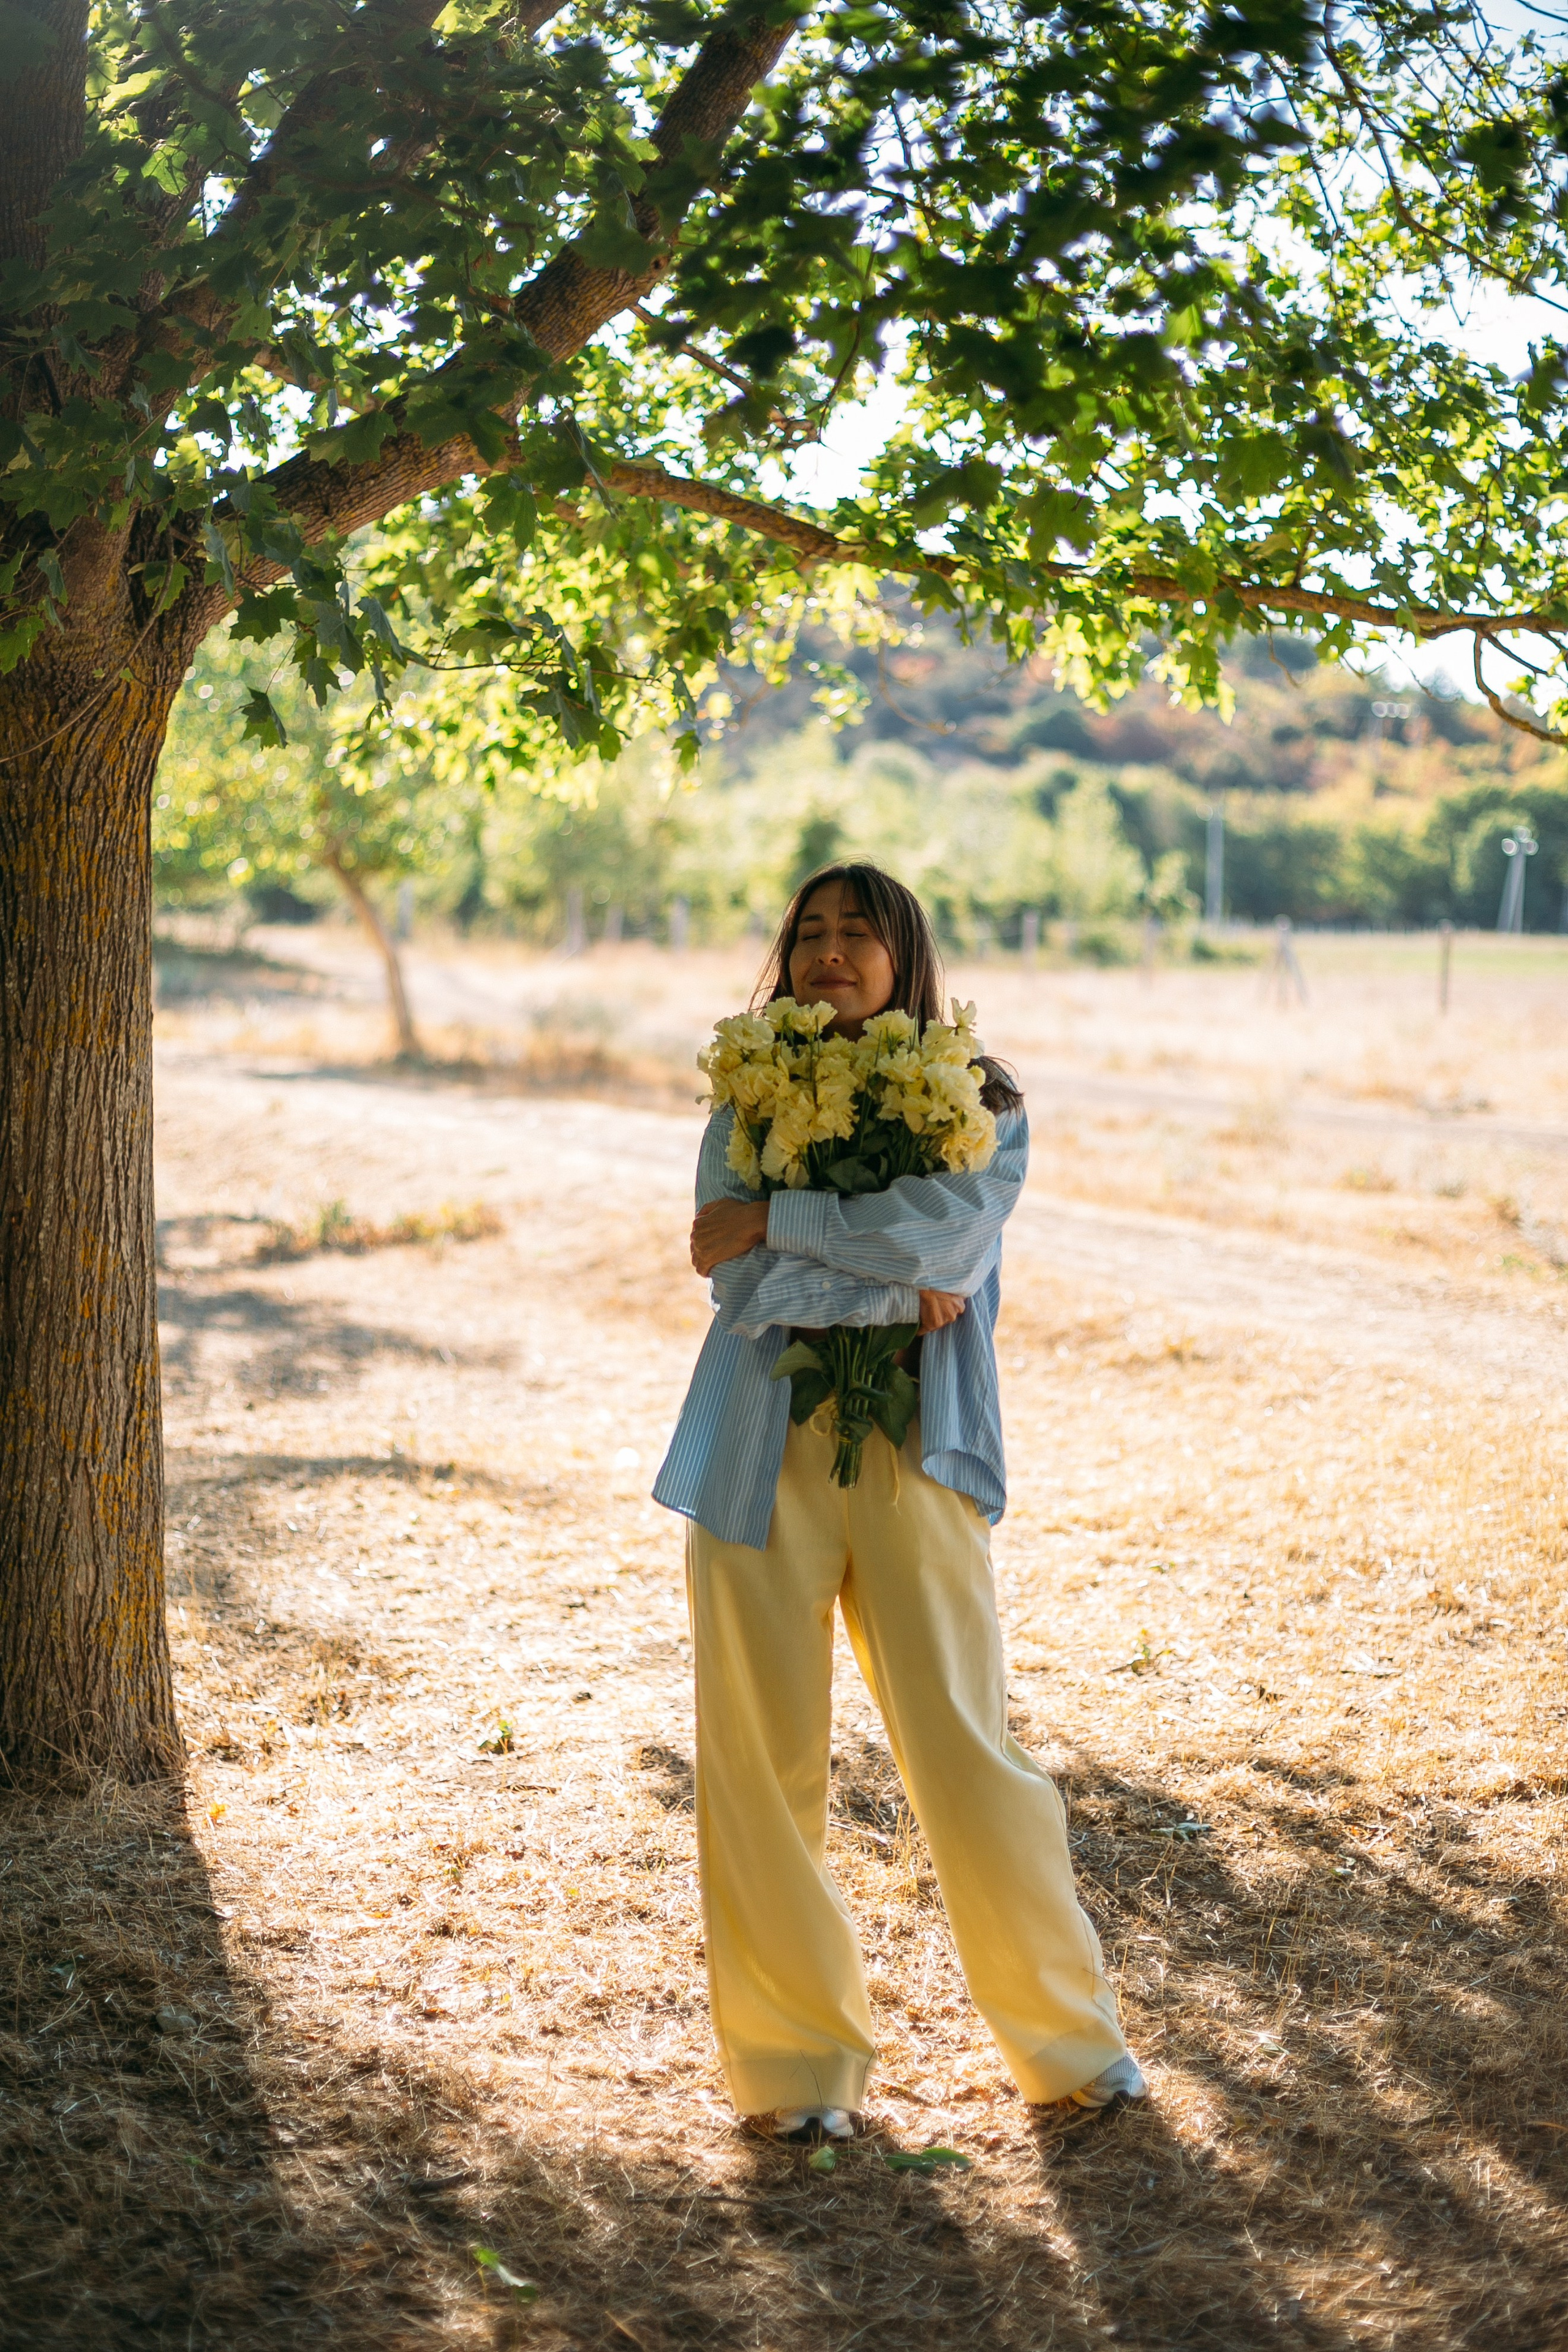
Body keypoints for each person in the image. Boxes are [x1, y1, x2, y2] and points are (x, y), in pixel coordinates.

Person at [653, 863, 1144, 2142]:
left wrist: (787, 1227)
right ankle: (793, 2072)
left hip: (916, 1450)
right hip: (756, 1447)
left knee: (965, 1750)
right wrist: (865, 1261)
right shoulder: (744, 1087)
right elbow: (725, 1269)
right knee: (755, 1763)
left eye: (852, 931)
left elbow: (946, 1254)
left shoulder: (981, 1096)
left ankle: (1071, 2048)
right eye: (805, 932)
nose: (825, 951)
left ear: (903, 951)